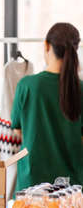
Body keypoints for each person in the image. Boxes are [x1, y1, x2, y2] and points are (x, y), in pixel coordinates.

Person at [12, 23, 83, 192]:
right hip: (71, 186)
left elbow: (17, 129)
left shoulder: (27, 85)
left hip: (32, 184)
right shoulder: (81, 89)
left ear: (46, 45)